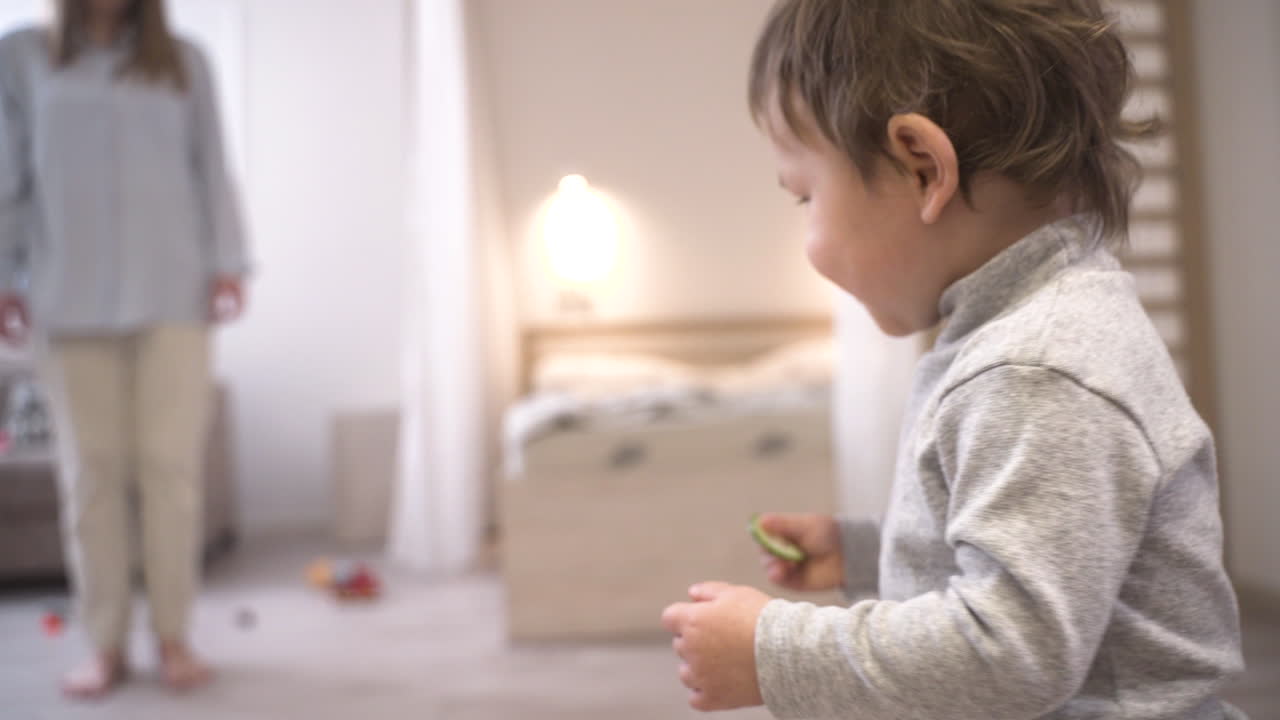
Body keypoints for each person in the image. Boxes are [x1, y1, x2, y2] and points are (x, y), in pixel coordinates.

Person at [660, 1, 1246, 717]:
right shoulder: (1022, 331)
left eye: (806, 195)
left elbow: (1012, 653)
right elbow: (1034, 557)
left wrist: (773, 650)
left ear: (922, 167)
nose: (810, 241)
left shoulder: (1036, 370)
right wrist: (869, 553)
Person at [0, 0, 249, 699]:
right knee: (91, 479)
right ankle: (103, 644)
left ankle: (174, 636)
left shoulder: (183, 62)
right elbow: (7, 178)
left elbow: (211, 165)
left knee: (169, 472)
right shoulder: (21, 58)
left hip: (173, 293)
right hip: (64, 296)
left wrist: (228, 261)